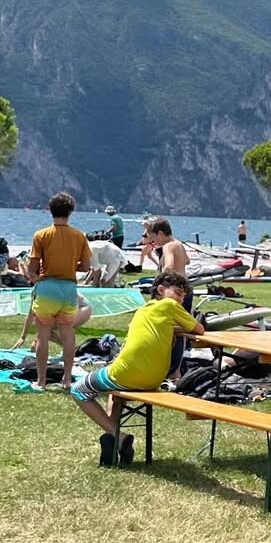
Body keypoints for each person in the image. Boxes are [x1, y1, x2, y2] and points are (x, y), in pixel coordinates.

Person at [70, 270, 205, 465]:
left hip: (125, 374)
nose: (181, 299)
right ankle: (113, 439)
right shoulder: (170, 308)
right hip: (153, 379)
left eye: (183, 296)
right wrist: (177, 329)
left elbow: (198, 329)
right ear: (161, 290)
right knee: (115, 395)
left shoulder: (145, 310)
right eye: (178, 293)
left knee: (78, 390)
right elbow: (198, 328)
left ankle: (118, 436)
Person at [24, 192, 93, 391]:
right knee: (68, 335)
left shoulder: (41, 235)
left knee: (42, 335)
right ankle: (67, 380)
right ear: (70, 211)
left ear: (50, 210)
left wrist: (37, 275)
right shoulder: (79, 236)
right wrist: (70, 266)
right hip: (68, 289)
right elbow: (86, 266)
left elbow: (32, 268)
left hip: (47, 288)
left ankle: (41, 381)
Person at [141, 218, 193, 379]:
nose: (154, 242)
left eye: (154, 238)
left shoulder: (168, 246)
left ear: (160, 233)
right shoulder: (179, 244)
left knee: (172, 330)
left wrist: (160, 282)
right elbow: (187, 261)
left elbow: (169, 266)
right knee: (182, 329)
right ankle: (176, 369)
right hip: (186, 289)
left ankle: (172, 369)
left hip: (174, 292)